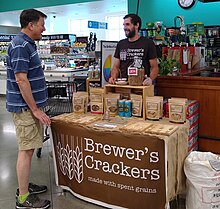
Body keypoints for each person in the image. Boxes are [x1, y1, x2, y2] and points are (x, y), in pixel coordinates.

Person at [6, 9, 51, 209]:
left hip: (30, 107)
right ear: (31, 25)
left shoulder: (28, 44)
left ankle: (25, 187)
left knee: (29, 148)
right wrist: (35, 110)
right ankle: (23, 198)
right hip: (25, 109)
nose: (44, 28)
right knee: (25, 150)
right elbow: (21, 79)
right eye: (42, 24)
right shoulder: (20, 45)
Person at [109, 14, 158, 86]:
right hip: (124, 85)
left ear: (136, 25)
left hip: (142, 86)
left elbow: (154, 67)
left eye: (128, 24)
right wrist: (113, 77)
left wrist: (150, 79)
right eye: (124, 25)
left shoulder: (148, 43)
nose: (125, 28)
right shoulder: (121, 44)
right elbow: (116, 67)